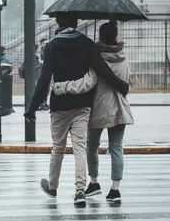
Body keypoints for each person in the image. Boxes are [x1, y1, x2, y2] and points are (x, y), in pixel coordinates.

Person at [23, 15, 130, 206]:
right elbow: (102, 69)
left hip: (59, 106)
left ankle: (53, 186)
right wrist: (120, 84)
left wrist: (31, 109)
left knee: (58, 148)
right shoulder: (88, 44)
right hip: (82, 104)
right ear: (76, 23)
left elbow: (44, 79)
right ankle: (80, 191)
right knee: (80, 147)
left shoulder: (52, 46)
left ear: (59, 24)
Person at [53, 21, 133, 202]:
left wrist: (63, 87)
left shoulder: (97, 57)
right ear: (116, 36)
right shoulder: (124, 55)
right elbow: (127, 79)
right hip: (120, 106)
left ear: (101, 36)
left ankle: (94, 181)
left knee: (91, 145)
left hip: (99, 106)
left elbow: (89, 82)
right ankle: (115, 189)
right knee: (116, 148)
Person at [19, 42, 49, 110]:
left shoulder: (34, 56)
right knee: (37, 91)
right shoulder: (32, 57)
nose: (38, 49)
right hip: (35, 77)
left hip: (37, 76)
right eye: (37, 48)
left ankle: (41, 103)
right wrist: (40, 65)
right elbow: (32, 67)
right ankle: (38, 104)